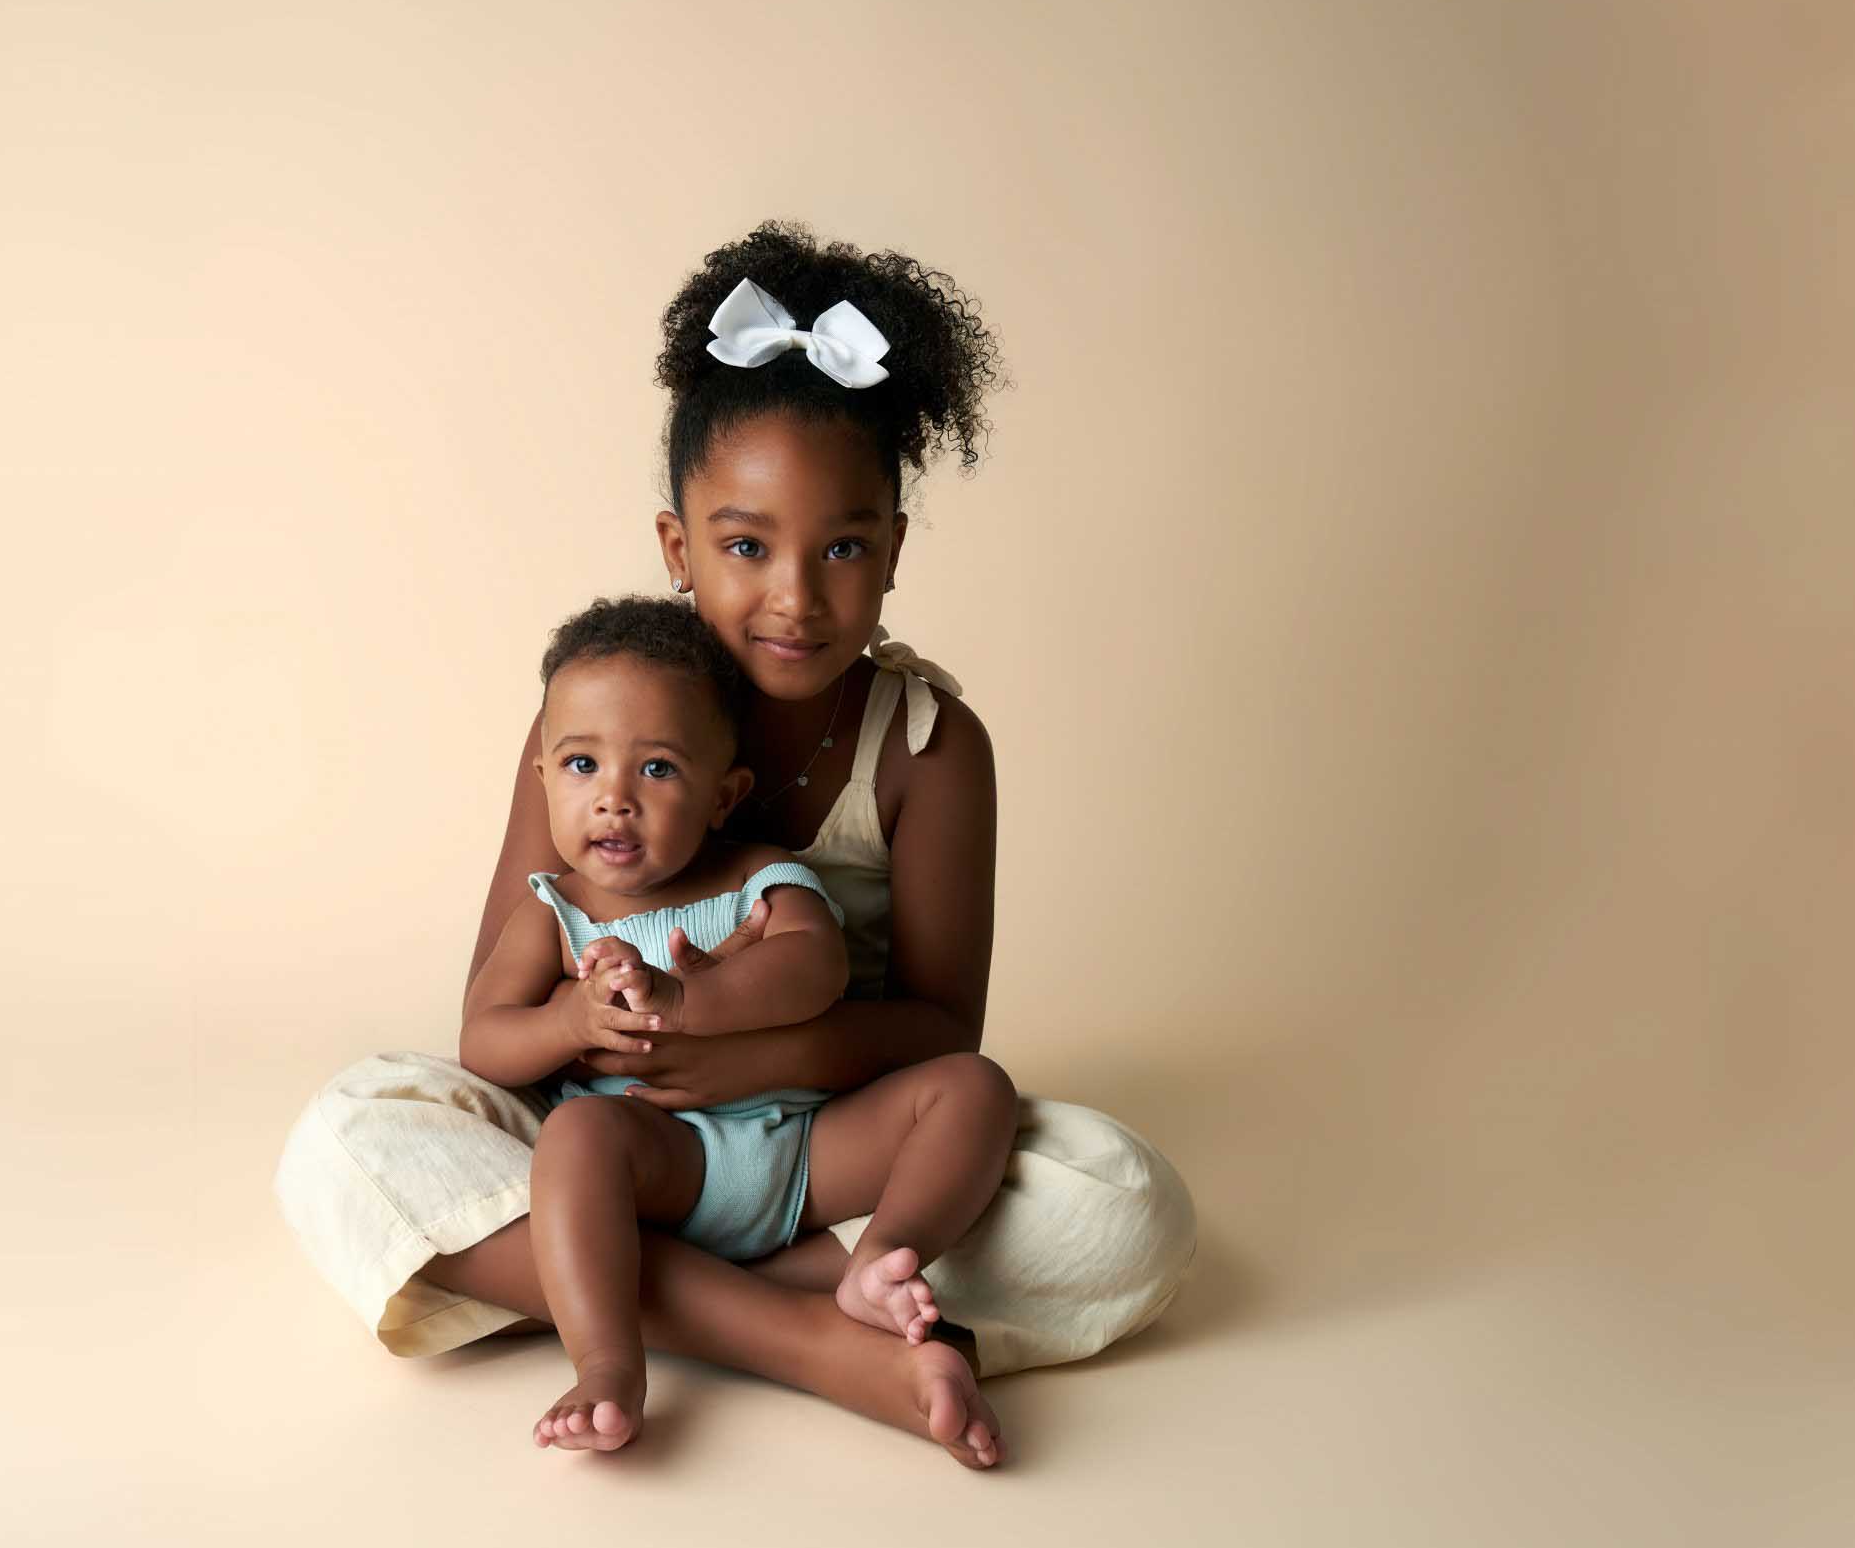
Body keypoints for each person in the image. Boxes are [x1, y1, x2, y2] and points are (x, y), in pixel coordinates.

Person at [277, 220, 1198, 1471]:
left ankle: (647, 1280)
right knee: (344, 1135)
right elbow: (498, 1005)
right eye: (747, 545)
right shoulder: (590, 724)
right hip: (615, 1136)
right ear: (679, 548)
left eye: (843, 548)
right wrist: (601, 1030)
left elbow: (942, 1030)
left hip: (823, 1146)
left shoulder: (927, 747)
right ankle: (807, 1333)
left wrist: (755, 1050)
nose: (794, 597)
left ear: (893, 550)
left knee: (1127, 1205)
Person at [463, 595, 1017, 1460]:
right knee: (573, 1137)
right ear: (543, 776)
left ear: (724, 795)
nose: (614, 799)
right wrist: (570, 1019)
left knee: (975, 1090)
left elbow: (816, 963)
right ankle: (609, 1361)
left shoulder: (760, 874)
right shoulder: (554, 913)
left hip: (804, 1150)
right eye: (581, 764)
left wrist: (692, 1000)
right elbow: (482, 1042)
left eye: (656, 769)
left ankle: (880, 1259)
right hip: (661, 1163)